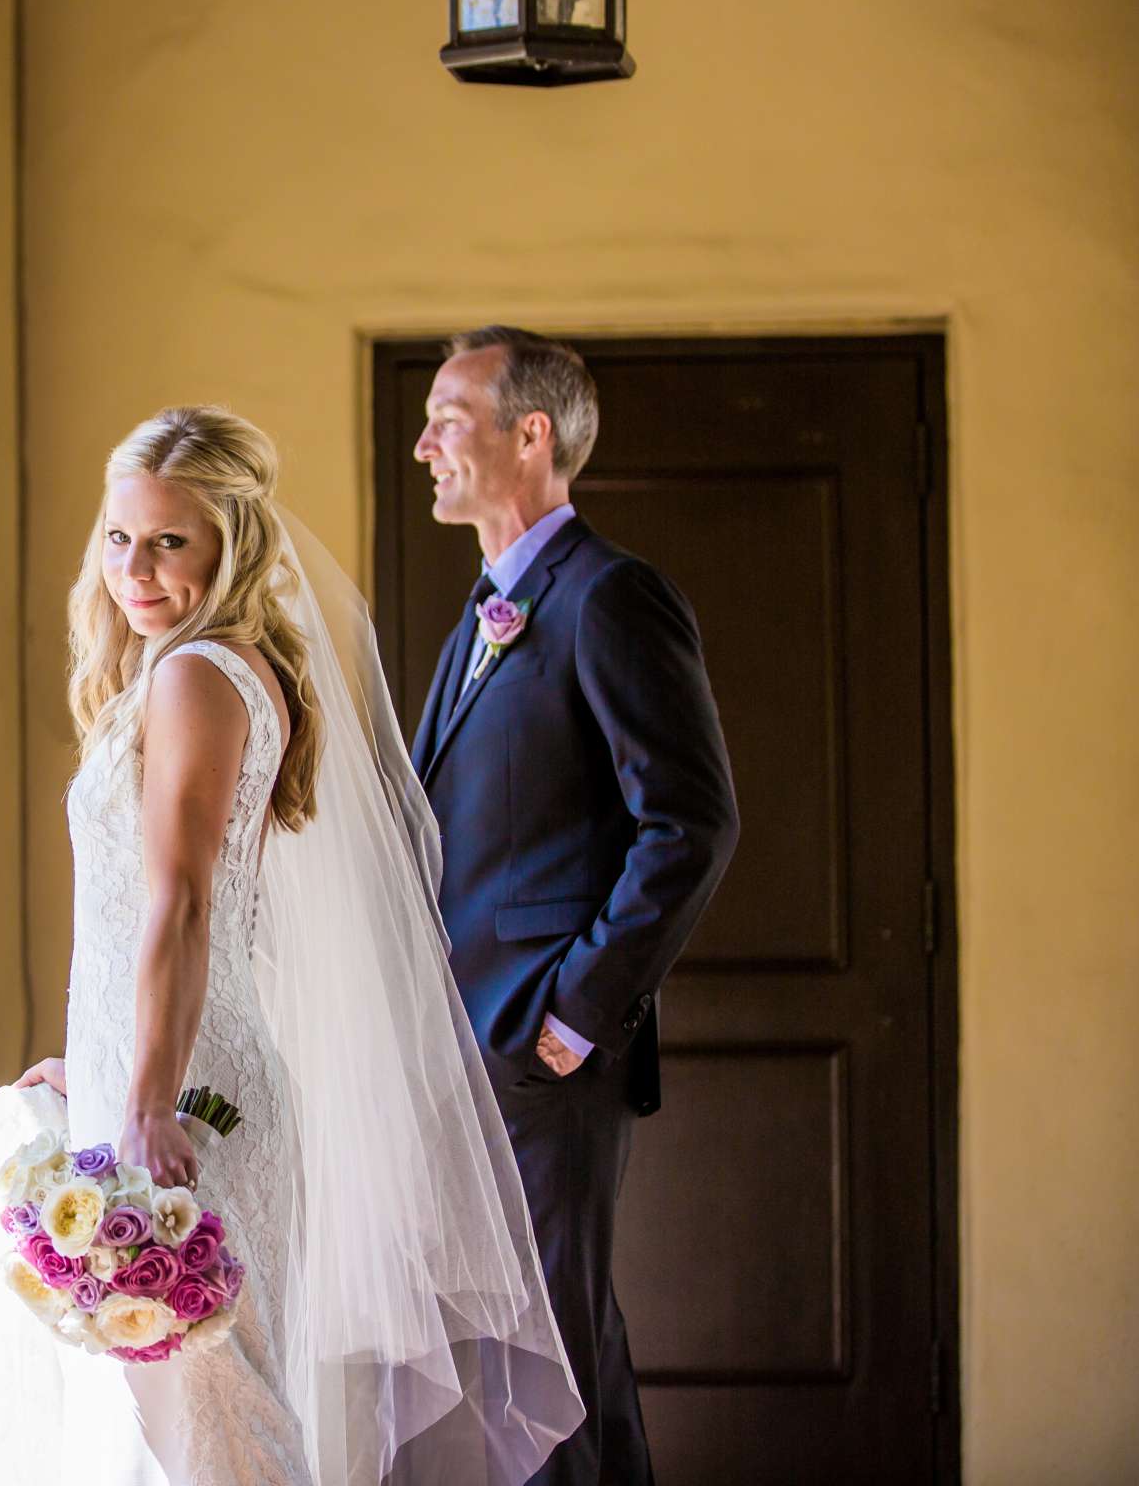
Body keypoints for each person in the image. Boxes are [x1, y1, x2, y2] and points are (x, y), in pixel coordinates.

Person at [0, 406, 581, 1486]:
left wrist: (145, 1099)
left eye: (168, 542)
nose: (133, 570)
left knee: (209, 1415)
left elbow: (182, 904)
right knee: (171, 1414)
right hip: (159, 1069)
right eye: (117, 537)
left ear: (229, 543)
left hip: (190, 1102)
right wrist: (93, 1057)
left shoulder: (197, 676)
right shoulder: (195, 671)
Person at [410, 328, 739, 1486]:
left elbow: (689, 824)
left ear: (530, 434)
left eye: (449, 416)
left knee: (535, 1367)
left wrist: (576, 1013)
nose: (424, 445)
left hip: (544, 1053)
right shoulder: (481, 619)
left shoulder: (609, 596)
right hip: (469, 1051)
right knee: (557, 1359)